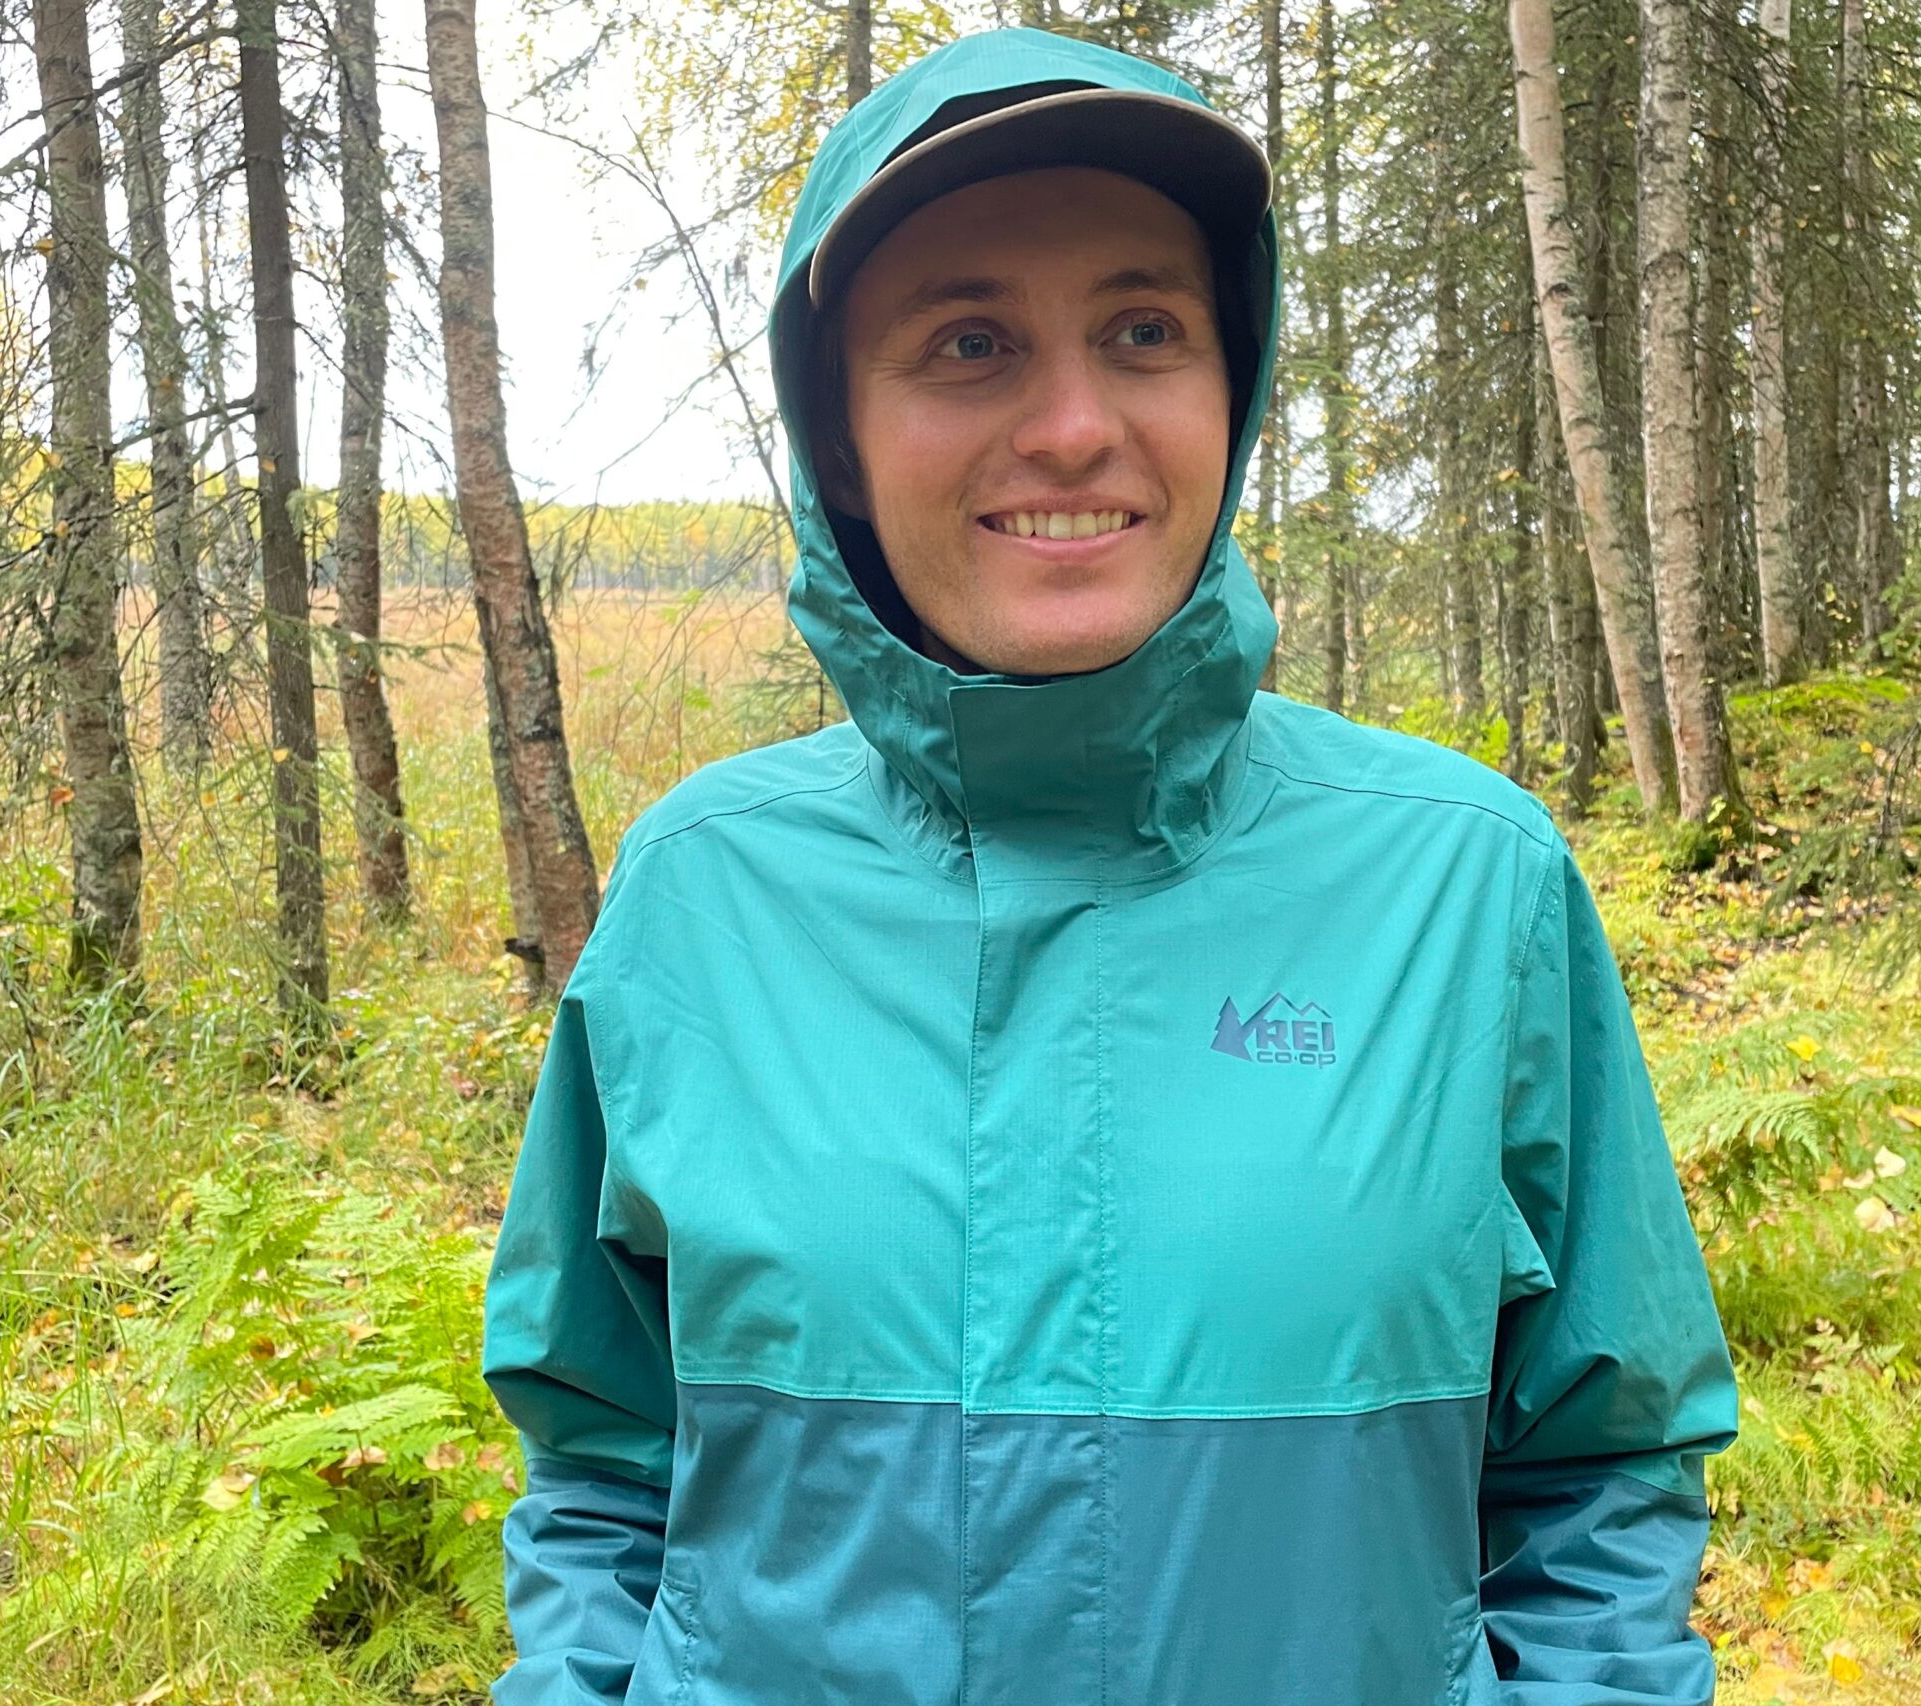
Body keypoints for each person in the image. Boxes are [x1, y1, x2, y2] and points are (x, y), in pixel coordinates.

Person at [481, 27, 1737, 1705]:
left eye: (1144, 331)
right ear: (838, 441)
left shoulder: (1467, 886)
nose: (1073, 427)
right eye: (969, 342)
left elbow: (1601, 1471)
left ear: (1234, 387)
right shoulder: (703, 898)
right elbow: (604, 1464)